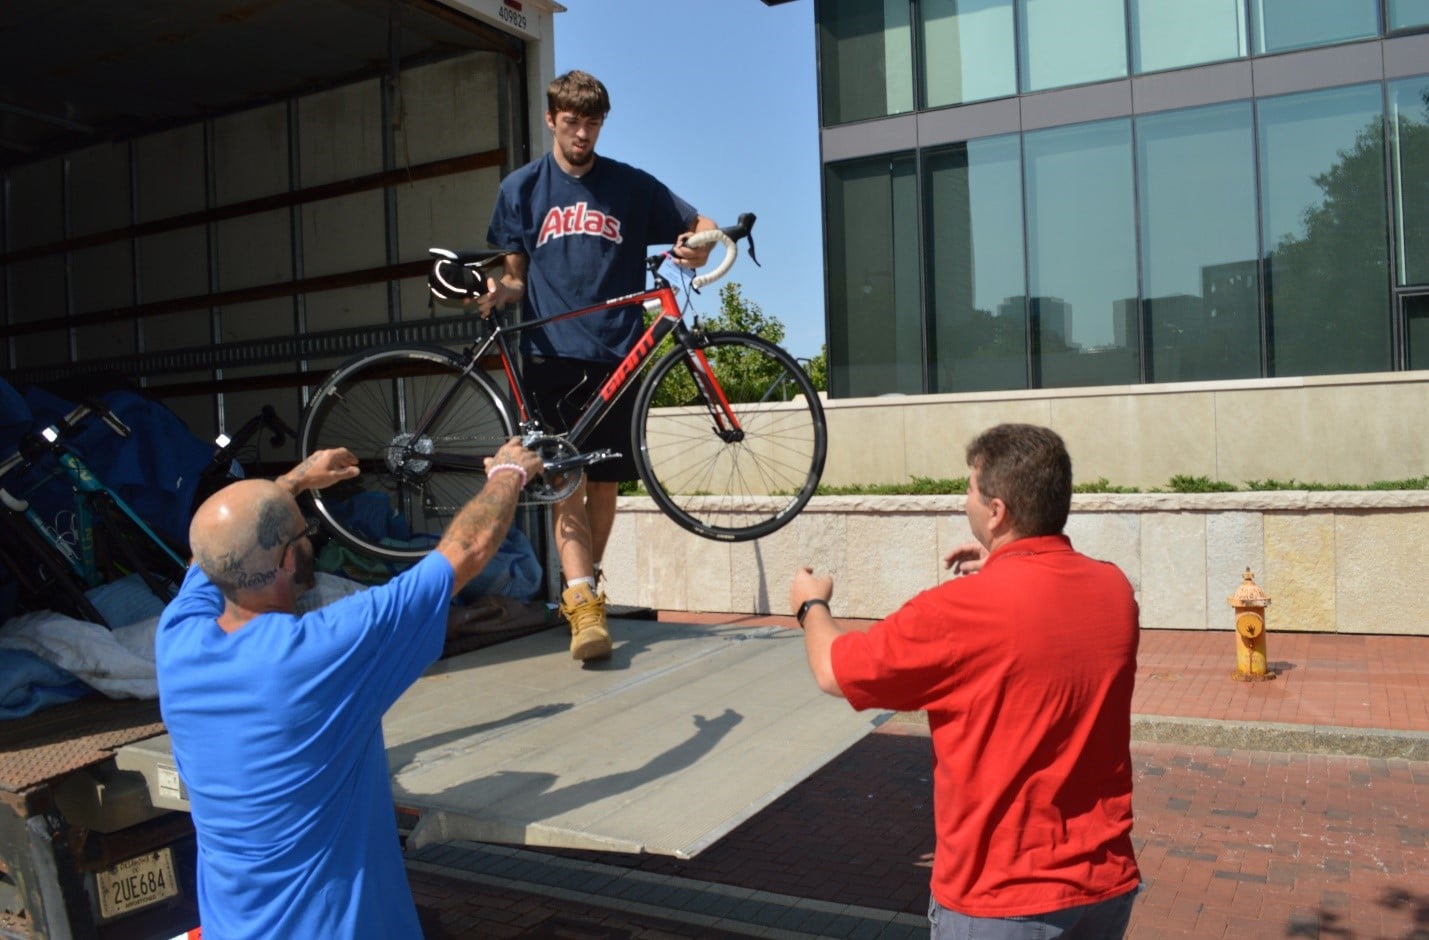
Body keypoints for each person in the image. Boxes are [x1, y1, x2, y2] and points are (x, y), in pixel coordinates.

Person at [155, 438, 544, 939]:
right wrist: (508, 473)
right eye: (305, 533)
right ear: (290, 561)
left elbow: (216, 552)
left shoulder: (177, 640)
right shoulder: (322, 653)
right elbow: (466, 550)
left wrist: (296, 481)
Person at [788, 423, 1141, 939]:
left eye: (971, 489)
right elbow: (1043, 608)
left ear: (996, 512)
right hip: (1104, 891)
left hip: (1000, 904)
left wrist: (811, 604)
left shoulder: (957, 611)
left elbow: (834, 668)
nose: (965, 499)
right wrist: (1001, 561)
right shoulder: (1114, 590)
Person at [477, 69, 718, 661]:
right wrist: (498, 292)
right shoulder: (522, 188)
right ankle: (582, 602)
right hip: (551, 353)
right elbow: (514, 274)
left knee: (605, 486)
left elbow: (702, 225)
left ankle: (587, 581)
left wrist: (698, 245)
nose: (582, 134)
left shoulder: (630, 187)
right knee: (566, 486)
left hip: (618, 354)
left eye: (593, 124)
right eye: (572, 122)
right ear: (551, 119)